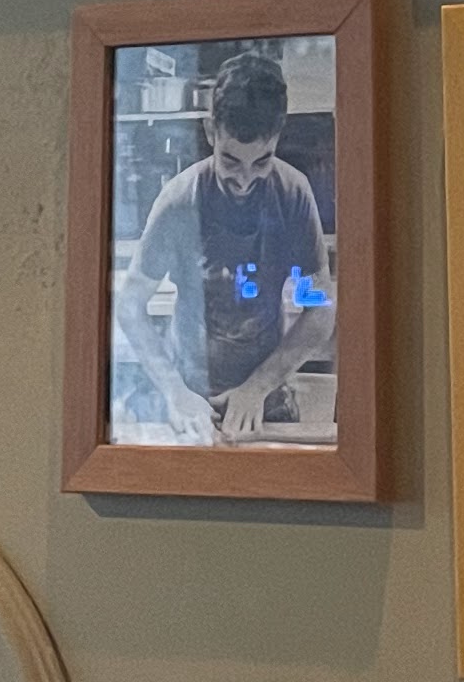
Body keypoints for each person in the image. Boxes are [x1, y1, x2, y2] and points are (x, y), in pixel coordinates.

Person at [113, 46, 335, 443]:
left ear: (277, 137)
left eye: (261, 161)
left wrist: (257, 387)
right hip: (191, 402)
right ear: (211, 131)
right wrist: (175, 391)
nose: (245, 181)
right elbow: (131, 305)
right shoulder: (180, 201)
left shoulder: (292, 195)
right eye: (231, 161)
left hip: (266, 399)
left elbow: (318, 310)